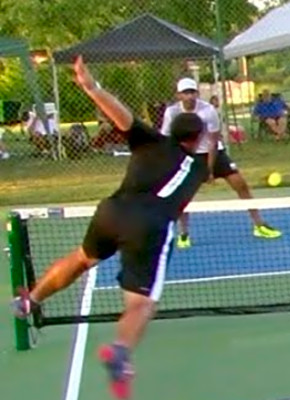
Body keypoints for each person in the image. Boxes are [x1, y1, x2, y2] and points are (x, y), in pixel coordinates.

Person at [11, 56, 209, 399]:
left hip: (112, 211)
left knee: (82, 258)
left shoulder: (151, 141)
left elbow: (121, 115)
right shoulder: (199, 169)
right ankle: (120, 352)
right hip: (149, 226)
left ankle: (31, 300)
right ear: (197, 139)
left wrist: (92, 87)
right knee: (141, 304)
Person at [161, 78, 282, 249]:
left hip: (214, 154)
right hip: (188, 156)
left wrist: (209, 170)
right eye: (185, 93)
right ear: (178, 95)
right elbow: (166, 138)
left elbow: (212, 140)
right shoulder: (172, 112)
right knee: (182, 195)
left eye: (192, 92)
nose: (189, 96)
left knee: (241, 185)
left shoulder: (208, 110)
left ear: (196, 93)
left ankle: (259, 225)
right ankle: (184, 234)